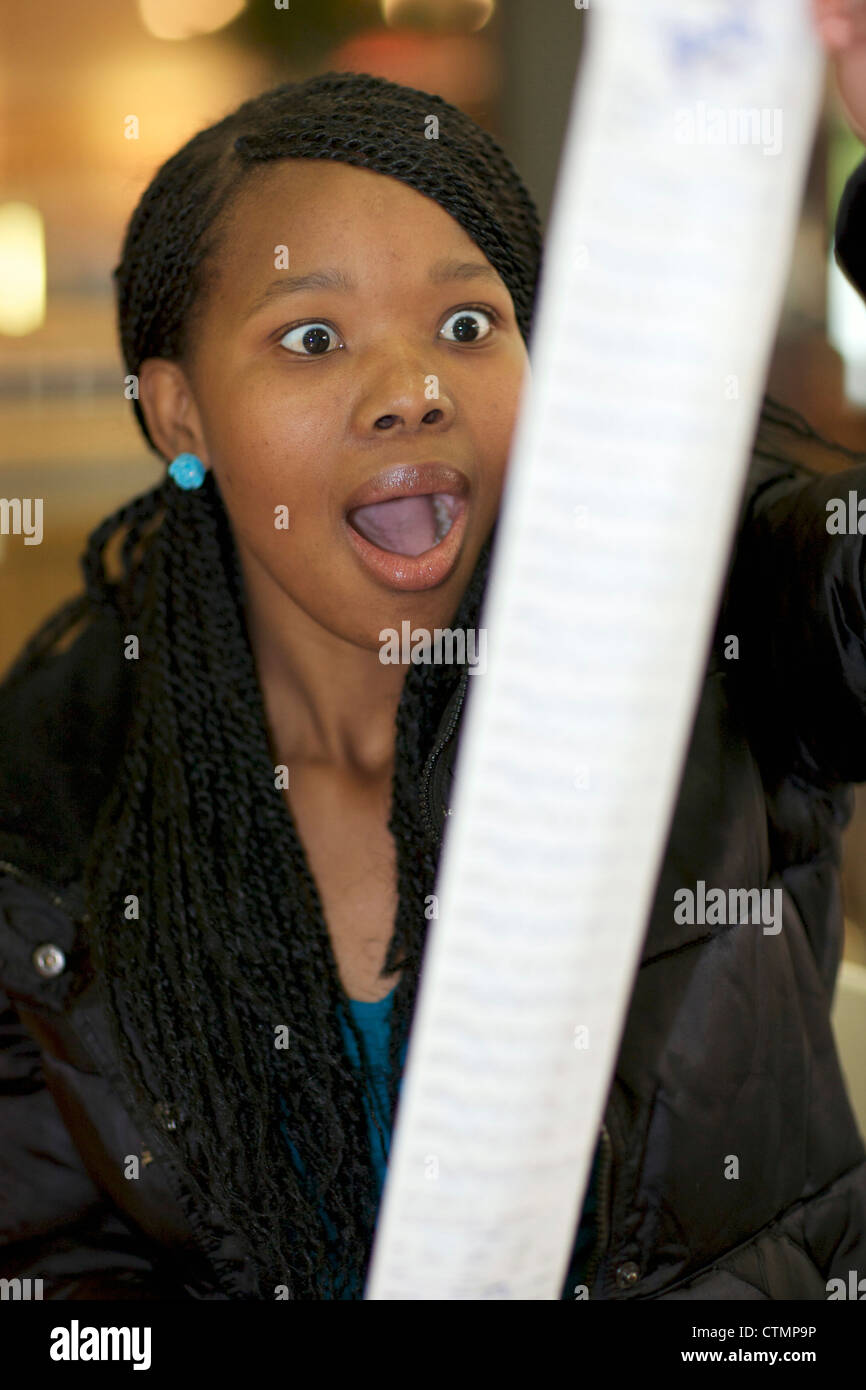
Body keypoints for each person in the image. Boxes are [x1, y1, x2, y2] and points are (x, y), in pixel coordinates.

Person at [1, 40, 865, 1300]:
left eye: (468, 323)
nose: (411, 389)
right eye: (311, 337)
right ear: (178, 414)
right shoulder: (43, 825)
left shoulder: (710, 614)